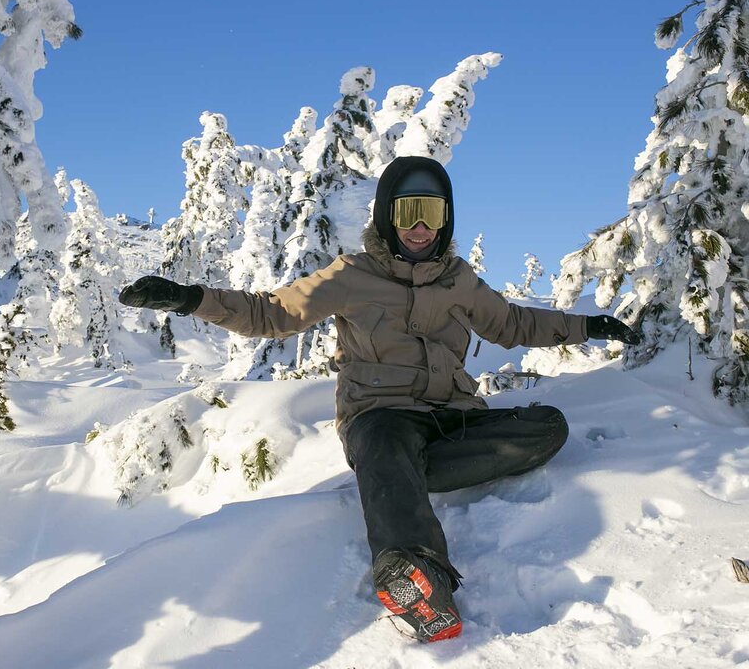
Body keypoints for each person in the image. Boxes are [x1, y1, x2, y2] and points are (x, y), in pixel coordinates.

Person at [119, 155, 640, 643]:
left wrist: (587, 324)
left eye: (431, 213)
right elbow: (271, 314)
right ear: (388, 218)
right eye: (408, 213)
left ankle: (405, 474)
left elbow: (513, 323)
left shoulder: (459, 281)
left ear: (446, 220)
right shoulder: (351, 275)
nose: (420, 227)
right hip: (381, 417)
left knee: (546, 426)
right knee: (387, 443)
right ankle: (413, 571)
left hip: (452, 417)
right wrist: (190, 299)